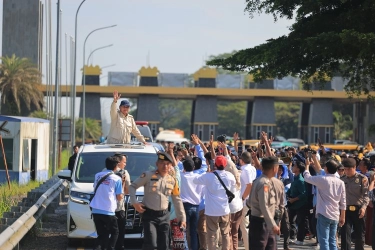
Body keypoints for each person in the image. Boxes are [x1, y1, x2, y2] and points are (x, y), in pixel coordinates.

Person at [129, 152, 186, 250]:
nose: (165, 166)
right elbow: (132, 186)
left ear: (171, 165)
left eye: (168, 163)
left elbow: (177, 199)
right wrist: (135, 203)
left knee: (164, 245)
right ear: (157, 164)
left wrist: (182, 218)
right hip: (149, 216)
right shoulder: (148, 175)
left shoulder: (172, 180)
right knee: (151, 243)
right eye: (162, 163)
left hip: (164, 216)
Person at [193, 155, 236, 250]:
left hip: (211, 211)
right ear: (225, 165)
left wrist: (207, 172)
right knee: (225, 234)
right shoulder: (230, 176)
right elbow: (233, 189)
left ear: (215, 164)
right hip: (224, 210)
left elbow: (195, 180)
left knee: (211, 235)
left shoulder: (208, 176)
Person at [303, 157, 346, 250]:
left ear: (326, 168)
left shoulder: (322, 179)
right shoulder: (340, 182)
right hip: (335, 214)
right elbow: (343, 201)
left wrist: (306, 166)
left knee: (324, 241)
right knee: (332, 241)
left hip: (324, 213)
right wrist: (343, 216)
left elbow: (307, 177)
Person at [246, 156, 285, 250]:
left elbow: (249, 203)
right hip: (261, 224)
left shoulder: (259, 181)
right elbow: (264, 206)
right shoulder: (264, 184)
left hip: (264, 223)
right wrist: (273, 224)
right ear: (274, 168)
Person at [90, 156, 123, 250]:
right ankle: (110, 248)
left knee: (101, 234)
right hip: (108, 210)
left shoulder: (97, 175)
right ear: (116, 166)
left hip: (96, 209)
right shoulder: (117, 179)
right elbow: (119, 197)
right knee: (115, 232)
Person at [340, 158, 369, 250]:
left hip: (359, 210)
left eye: (349, 169)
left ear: (354, 168)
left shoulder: (362, 179)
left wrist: (364, 208)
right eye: (345, 169)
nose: (347, 171)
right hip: (345, 210)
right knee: (345, 234)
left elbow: (366, 195)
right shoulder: (341, 179)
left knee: (359, 235)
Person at [113, 153, 130, 250]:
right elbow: (127, 190)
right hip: (119, 207)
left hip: (106, 208)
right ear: (119, 162)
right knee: (120, 231)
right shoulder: (124, 173)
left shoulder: (104, 172)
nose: (125, 164)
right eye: (124, 162)